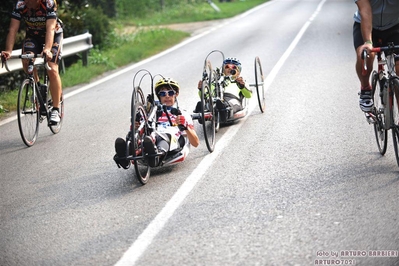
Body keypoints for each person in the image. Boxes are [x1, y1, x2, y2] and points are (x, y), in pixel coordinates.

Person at [114, 77, 200, 168]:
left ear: (176, 94)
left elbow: (196, 143)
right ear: (159, 96)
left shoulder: (182, 114)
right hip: (150, 137)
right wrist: (135, 126)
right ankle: (124, 155)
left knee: (167, 134)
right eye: (163, 94)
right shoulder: (150, 112)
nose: (167, 96)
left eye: (170, 93)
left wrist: (185, 126)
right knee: (141, 135)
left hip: (170, 139)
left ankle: (156, 156)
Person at [1, 0, 63, 124]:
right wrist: (8, 50)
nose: (26, 2)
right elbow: (13, 29)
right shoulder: (20, 5)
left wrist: (47, 49)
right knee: (26, 59)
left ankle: (56, 109)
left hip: (53, 35)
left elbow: (50, 28)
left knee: (52, 67)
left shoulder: (49, 3)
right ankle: (39, 87)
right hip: (33, 37)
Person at [353, 0, 399, 113]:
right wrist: (368, 42)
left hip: (394, 25)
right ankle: (365, 89)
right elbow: (366, 12)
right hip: (367, 25)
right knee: (365, 54)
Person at [195, 57, 252, 122]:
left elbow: (249, 95)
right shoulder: (215, 81)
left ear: (238, 71)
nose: (230, 69)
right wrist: (201, 89)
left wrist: (242, 86)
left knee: (229, 104)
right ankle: (202, 110)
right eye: (227, 66)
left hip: (232, 99)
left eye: (233, 67)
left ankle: (223, 111)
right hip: (215, 99)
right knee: (208, 102)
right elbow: (204, 95)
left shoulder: (241, 81)